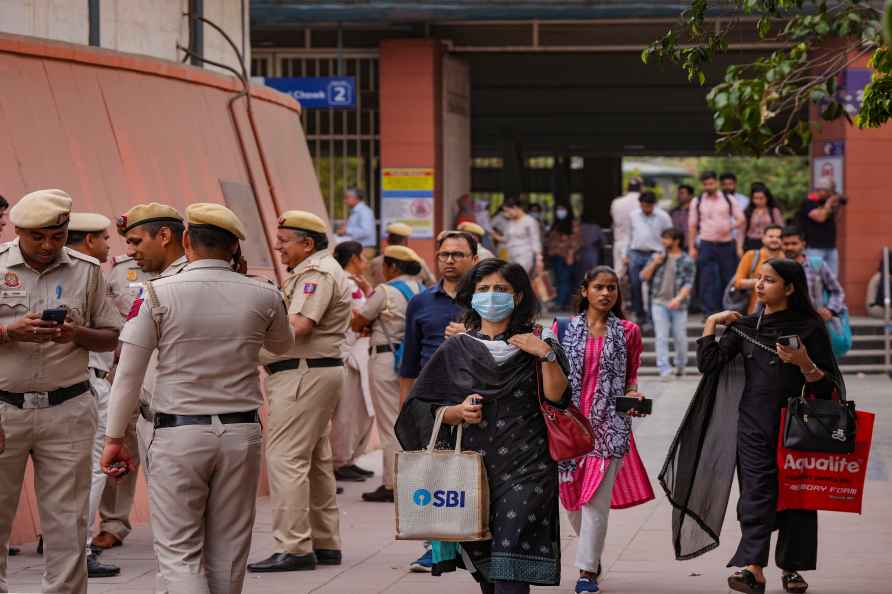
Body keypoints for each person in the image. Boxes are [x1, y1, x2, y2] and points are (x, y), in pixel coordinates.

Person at [101, 203, 293, 593]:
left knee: (178, 551)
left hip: (178, 433)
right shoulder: (264, 293)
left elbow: (128, 375)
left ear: (186, 240)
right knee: (229, 550)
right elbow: (281, 346)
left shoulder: (155, 293)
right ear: (235, 247)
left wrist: (113, 438)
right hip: (241, 433)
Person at [661, 258, 845, 594]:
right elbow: (710, 363)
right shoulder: (747, 327)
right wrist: (712, 323)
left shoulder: (810, 327)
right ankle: (753, 569)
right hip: (753, 423)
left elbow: (829, 387)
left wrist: (805, 364)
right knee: (755, 495)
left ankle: (792, 568)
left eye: (769, 280)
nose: (759, 285)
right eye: (758, 279)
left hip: (799, 425)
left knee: (796, 496)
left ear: (789, 288)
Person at [396, 258, 570, 594]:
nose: (492, 296)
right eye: (484, 289)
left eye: (501, 290)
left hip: (528, 467)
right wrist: (455, 412)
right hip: (472, 471)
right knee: (488, 570)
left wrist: (545, 355)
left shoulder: (539, 340)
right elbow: (418, 408)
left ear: (518, 297)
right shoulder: (457, 348)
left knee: (510, 567)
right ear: (472, 296)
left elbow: (558, 398)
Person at [0, 189, 122, 594]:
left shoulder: (86, 271)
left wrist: (76, 333)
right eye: (37, 237)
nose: (48, 246)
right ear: (18, 230)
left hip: (67, 409)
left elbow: (111, 338)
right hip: (4, 410)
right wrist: (7, 330)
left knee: (68, 522)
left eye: (57, 235)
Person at [249, 210, 352, 573]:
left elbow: (299, 325)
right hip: (314, 373)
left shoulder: (316, 273)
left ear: (307, 243)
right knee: (315, 460)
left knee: (285, 458)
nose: (279, 249)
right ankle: (324, 542)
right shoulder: (317, 270)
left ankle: (293, 546)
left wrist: (252, 337)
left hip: (302, 375)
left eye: (284, 242)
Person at [94, 202, 188, 551]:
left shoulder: (190, 272)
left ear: (163, 237)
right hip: (126, 368)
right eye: (127, 242)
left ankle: (177, 531)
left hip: (166, 374)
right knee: (119, 444)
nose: (130, 251)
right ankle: (114, 523)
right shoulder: (118, 271)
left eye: (136, 241)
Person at [558, 266, 646, 593]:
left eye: (612, 288)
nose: (606, 293)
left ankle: (586, 573)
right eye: (599, 287)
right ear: (585, 291)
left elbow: (632, 377)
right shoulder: (562, 328)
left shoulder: (628, 331)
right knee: (571, 502)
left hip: (610, 429)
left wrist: (635, 395)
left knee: (595, 500)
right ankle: (592, 556)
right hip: (568, 430)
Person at [398, 230, 479, 572]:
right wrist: (407, 410)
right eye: (444, 254)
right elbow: (410, 361)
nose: (449, 260)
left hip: (475, 397)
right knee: (433, 472)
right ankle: (436, 546)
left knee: (470, 472)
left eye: (458, 254)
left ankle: (473, 540)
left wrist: (469, 335)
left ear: (474, 259)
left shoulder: (486, 298)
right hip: (432, 401)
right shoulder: (421, 302)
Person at [64, 212, 121, 578]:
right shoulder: (86, 276)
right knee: (92, 469)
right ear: (87, 242)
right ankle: (79, 550)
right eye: (103, 237)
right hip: (88, 381)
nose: (108, 244)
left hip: (74, 383)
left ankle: (64, 542)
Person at [351, 245, 425, 502]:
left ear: (392, 267)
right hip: (412, 361)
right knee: (408, 421)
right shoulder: (420, 289)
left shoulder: (385, 290)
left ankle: (393, 484)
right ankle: (412, 478)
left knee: (390, 424)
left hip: (385, 360)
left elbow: (359, 320)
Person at [331, 241, 375, 484]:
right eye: (364, 258)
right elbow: (357, 318)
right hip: (348, 356)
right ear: (356, 259)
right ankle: (339, 461)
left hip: (359, 355)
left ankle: (348, 460)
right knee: (346, 413)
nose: (366, 263)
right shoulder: (345, 283)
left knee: (360, 412)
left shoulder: (355, 284)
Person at [640, 229, 696, 379]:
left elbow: (688, 284)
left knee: (680, 337)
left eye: (667, 238)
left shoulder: (687, 260)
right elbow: (643, 276)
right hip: (658, 303)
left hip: (679, 304)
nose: (663, 241)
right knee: (661, 337)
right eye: (663, 238)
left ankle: (680, 365)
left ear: (676, 241)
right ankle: (664, 369)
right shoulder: (657, 257)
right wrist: (654, 263)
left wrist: (678, 299)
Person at [689, 171, 746, 315]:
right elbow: (692, 225)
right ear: (702, 185)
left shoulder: (728, 199)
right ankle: (709, 311)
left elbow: (741, 219)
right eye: (706, 184)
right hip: (706, 244)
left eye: (711, 183)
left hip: (726, 245)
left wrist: (729, 226)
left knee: (727, 277)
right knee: (706, 278)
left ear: (716, 183)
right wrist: (691, 247)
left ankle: (727, 309)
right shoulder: (698, 201)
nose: (709, 186)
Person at [625, 191, 672, 326]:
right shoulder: (633, 215)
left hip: (655, 254)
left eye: (649, 206)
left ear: (654, 205)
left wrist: (665, 253)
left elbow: (669, 235)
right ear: (640, 204)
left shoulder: (663, 216)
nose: (646, 209)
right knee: (635, 284)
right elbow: (629, 235)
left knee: (654, 286)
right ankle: (639, 314)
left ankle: (652, 318)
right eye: (643, 206)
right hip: (636, 252)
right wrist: (626, 254)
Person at [781, 227, 846, 323]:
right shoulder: (776, 267)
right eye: (786, 244)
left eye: (794, 244)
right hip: (785, 323)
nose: (790, 247)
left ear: (803, 244)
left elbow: (837, 291)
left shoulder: (817, 265)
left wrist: (830, 310)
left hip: (815, 324)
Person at [797, 176, 843, 276]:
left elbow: (837, 218)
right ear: (820, 189)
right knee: (814, 277)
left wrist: (835, 205)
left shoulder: (826, 203)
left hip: (830, 247)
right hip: (814, 247)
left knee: (832, 277)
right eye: (829, 191)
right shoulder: (809, 202)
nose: (830, 194)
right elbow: (820, 217)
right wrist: (829, 204)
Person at [734, 225, 785, 315]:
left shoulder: (787, 259)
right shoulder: (752, 255)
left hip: (781, 313)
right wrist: (763, 282)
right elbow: (738, 283)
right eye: (771, 236)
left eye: (779, 237)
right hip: (753, 312)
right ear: (763, 238)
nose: (775, 239)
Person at [368, 222, 435, 287]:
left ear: (387, 240)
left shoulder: (375, 262)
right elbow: (431, 284)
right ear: (405, 241)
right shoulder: (417, 262)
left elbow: (370, 286)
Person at [545, 202, 581, 310]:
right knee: (559, 280)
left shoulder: (573, 224)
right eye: (558, 209)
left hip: (566, 256)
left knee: (564, 279)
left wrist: (570, 254)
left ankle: (560, 303)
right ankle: (563, 303)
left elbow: (576, 241)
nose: (560, 212)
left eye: (563, 209)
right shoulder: (556, 223)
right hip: (555, 256)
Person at [498, 197, 541, 276]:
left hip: (524, 256)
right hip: (510, 256)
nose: (506, 213)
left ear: (515, 208)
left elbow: (535, 241)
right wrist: (492, 234)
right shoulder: (510, 222)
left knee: (518, 279)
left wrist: (539, 259)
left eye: (507, 211)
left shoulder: (529, 221)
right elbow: (506, 239)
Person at [609, 177, 642, 279]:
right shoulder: (643, 202)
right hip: (638, 244)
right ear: (641, 188)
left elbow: (613, 219)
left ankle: (615, 295)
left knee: (618, 276)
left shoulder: (616, 202)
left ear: (627, 188)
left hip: (620, 241)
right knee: (639, 277)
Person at [742, 183, 784, 251]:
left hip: (770, 242)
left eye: (761, 198)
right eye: (756, 198)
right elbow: (742, 231)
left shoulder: (773, 211)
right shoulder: (748, 212)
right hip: (751, 243)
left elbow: (781, 228)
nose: (758, 201)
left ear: (767, 198)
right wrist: (740, 246)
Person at [337, 187, 376, 259]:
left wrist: (346, 230)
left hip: (364, 249)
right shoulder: (356, 211)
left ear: (356, 198)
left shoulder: (364, 211)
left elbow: (366, 232)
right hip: (358, 248)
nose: (344, 200)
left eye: (347, 197)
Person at [670, 184, 695, 249]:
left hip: (691, 246)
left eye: (682, 193)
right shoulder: (673, 212)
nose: (678, 195)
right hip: (676, 247)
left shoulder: (696, 211)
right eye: (678, 193)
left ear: (690, 196)